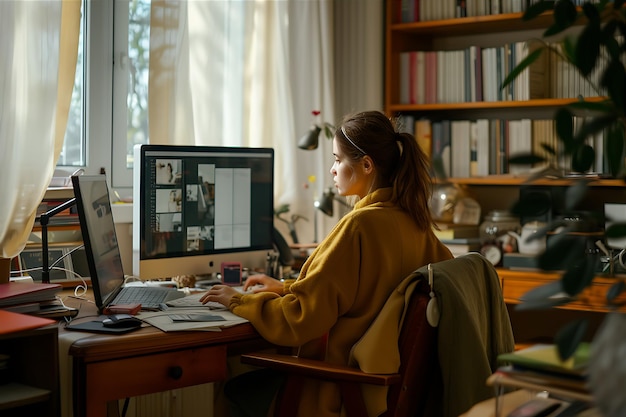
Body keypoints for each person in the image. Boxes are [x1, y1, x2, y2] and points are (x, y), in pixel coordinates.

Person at [201, 110, 453, 417]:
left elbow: (300, 319)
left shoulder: (358, 226)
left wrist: (239, 301)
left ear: (366, 165)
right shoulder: (416, 224)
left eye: (337, 160)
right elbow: (367, 290)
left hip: (338, 389)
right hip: (384, 392)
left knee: (229, 377)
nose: (332, 170)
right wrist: (286, 287)